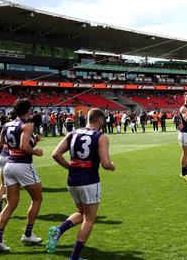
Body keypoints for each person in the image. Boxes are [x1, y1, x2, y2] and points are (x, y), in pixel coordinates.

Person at [46, 108, 115, 259]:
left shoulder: (73, 133)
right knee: (89, 218)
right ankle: (75, 256)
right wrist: (112, 166)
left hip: (72, 180)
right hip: (89, 180)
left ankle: (59, 230)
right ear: (100, 120)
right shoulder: (101, 136)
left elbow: (55, 154)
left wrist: (70, 167)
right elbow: (105, 163)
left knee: (81, 212)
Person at [0, 98, 43, 252]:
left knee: (11, 203)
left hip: (9, 165)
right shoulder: (27, 125)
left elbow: (1, 144)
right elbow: (24, 146)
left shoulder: (7, 124)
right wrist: (36, 151)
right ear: (28, 110)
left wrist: (32, 142)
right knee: (37, 198)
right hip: (23, 165)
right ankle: (28, 234)